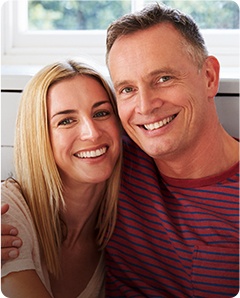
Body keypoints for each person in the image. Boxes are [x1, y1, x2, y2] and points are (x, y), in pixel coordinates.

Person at [2, 3, 239, 297]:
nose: (145, 106)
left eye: (163, 78)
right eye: (127, 89)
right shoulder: (111, 158)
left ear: (209, 77)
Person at [1, 59, 122, 297]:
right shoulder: (8, 211)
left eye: (101, 113)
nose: (92, 132)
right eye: (66, 120)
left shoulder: (125, 224)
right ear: (39, 137)